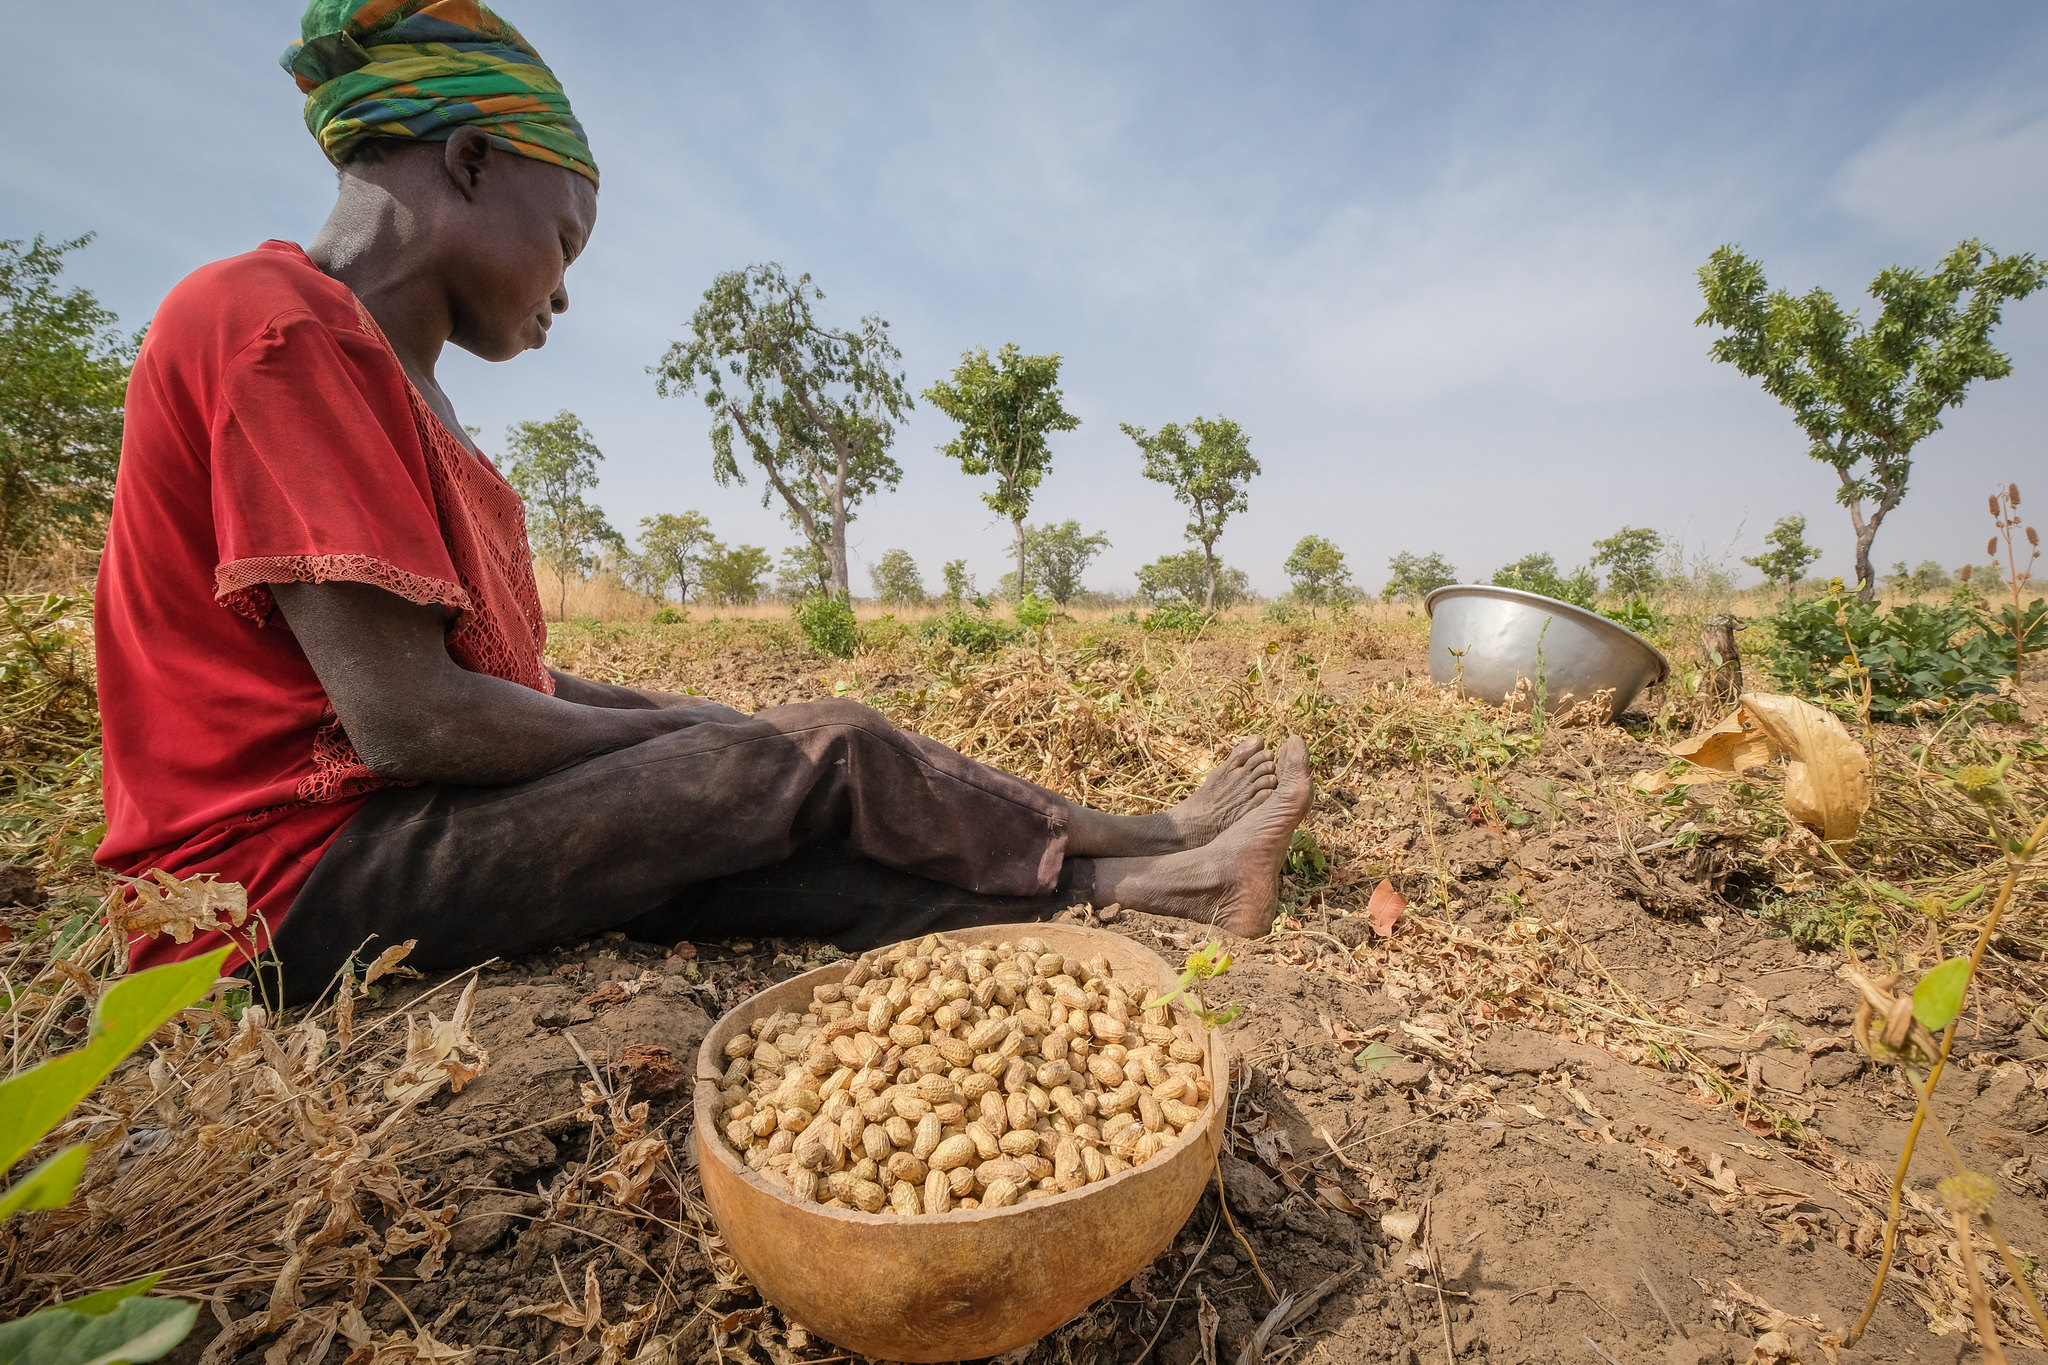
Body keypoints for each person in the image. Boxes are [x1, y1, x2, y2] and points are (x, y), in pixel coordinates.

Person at [95, 0, 1313, 1003]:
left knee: (747, 839)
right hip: (270, 892)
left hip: (384, 848)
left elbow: (504, 696)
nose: (564, 293)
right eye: (566, 242)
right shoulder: (271, 323)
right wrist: (716, 741)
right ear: (469, 163)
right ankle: (1143, 830)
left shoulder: (397, 392)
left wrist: (691, 722)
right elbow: (410, 722)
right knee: (822, 743)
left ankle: (1164, 887)